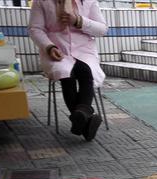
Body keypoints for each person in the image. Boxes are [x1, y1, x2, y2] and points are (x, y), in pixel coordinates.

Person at [28, 0, 107, 141]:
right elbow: (35, 29)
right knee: (66, 74)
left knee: (86, 70)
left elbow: (102, 29)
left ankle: (81, 119)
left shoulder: (89, 1)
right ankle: (84, 120)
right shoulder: (41, 2)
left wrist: (78, 20)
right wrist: (49, 47)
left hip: (85, 50)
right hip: (56, 50)